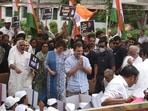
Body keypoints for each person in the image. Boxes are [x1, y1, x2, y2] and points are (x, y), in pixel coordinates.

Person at [33, 42, 49, 111]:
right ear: (41, 47)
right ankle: (36, 104)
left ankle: (44, 104)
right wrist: (39, 61)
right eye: (44, 46)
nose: (45, 48)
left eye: (46, 46)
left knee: (45, 90)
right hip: (39, 76)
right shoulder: (38, 54)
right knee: (37, 89)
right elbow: (34, 64)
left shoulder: (50, 54)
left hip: (47, 75)